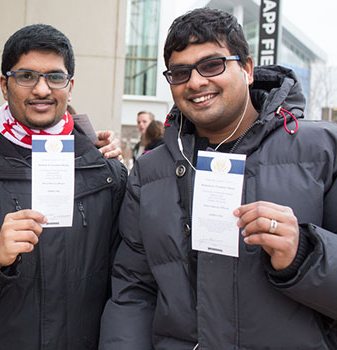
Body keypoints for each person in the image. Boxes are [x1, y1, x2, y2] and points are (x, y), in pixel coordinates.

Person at [100, 7, 337, 349]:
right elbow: (133, 290)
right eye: (180, 73)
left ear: (248, 69)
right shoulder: (150, 172)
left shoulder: (323, 151)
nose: (196, 82)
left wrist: (304, 255)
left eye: (212, 65)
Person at [0, 24, 127, 349]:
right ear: (5, 85)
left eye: (55, 77)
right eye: (26, 76)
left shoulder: (107, 174)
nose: (41, 89)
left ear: (70, 86)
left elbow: (126, 288)